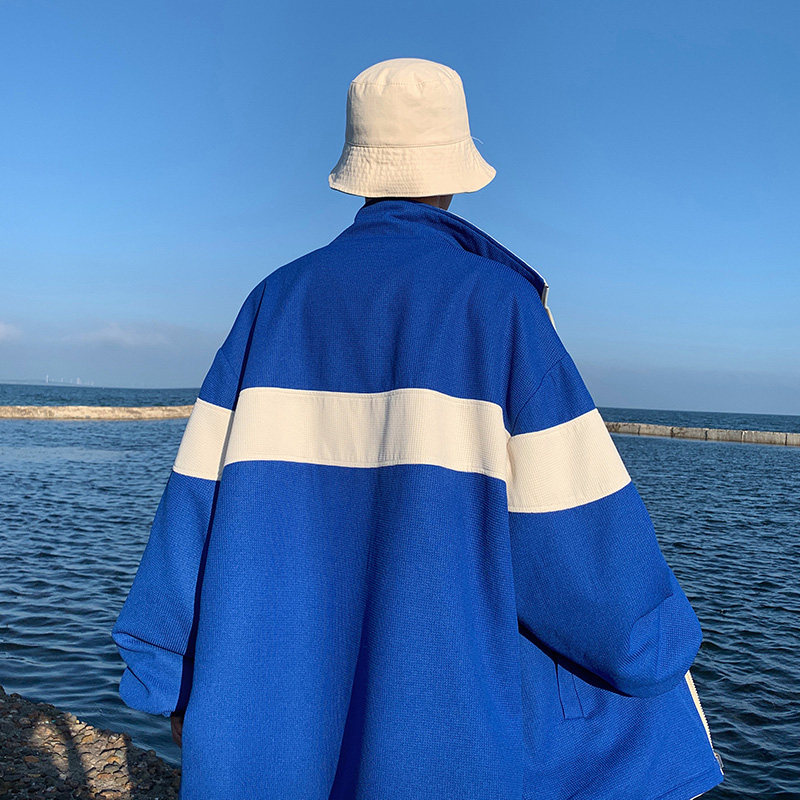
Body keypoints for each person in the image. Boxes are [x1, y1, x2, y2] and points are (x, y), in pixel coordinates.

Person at [111, 57, 724, 799]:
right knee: (644, 686)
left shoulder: (273, 301)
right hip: (437, 727)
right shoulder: (497, 307)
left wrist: (167, 672)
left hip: (279, 711)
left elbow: (194, 506)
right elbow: (590, 566)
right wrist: (659, 649)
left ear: (357, 171)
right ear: (456, 172)